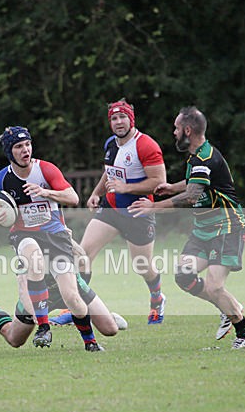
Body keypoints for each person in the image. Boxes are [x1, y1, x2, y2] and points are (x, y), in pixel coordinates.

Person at [129, 106, 245, 349]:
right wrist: (171, 187)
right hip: (204, 228)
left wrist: (153, 206)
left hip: (226, 226)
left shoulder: (204, 157)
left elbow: (191, 197)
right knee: (184, 275)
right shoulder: (196, 156)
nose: (174, 132)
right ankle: (226, 306)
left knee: (214, 286)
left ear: (188, 130)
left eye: (177, 128)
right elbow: (194, 183)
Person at [0, 125, 105, 351]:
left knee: (71, 296)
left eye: (27, 144)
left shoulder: (46, 170)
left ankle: (91, 343)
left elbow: (73, 197)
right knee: (35, 259)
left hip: (55, 237)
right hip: (23, 236)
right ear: (10, 152)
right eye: (18, 147)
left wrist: (46, 192)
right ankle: (44, 328)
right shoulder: (0, 181)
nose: (25, 150)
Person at [55, 99, 167, 325]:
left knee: (142, 265)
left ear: (131, 119)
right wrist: (97, 193)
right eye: (114, 118)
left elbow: (159, 182)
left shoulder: (146, 145)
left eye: (123, 117)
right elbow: (109, 173)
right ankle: (78, 307)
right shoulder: (111, 144)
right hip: (111, 209)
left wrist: (127, 188)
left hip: (138, 213)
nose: (118, 122)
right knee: (82, 255)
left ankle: (157, 298)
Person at [0, 272, 128, 348]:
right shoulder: (26, 247)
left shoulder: (58, 233)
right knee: (14, 339)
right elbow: (23, 290)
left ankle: (95, 317)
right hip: (37, 298)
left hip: (72, 289)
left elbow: (83, 260)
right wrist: (35, 314)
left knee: (110, 330)